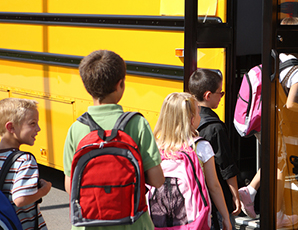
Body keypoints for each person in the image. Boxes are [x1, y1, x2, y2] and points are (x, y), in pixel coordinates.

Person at [62, 50, 165, 230]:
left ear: (87, 86)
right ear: (120, 84)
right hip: (133, 223)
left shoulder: (76, 129)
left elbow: (71, 187)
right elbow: (157, 180)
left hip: (88, 223)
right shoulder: (138, 124)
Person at [238, 49, 298, 227]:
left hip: (260, 121)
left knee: (274, 162)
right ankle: (277, 215)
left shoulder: (277, 59)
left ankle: (250, 191)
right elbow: (290, 105)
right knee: (280, 167)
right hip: (276, 124)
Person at [154, 92, 232, 230]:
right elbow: (214, 186)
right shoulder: (201, 146)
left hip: (159, 221)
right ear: (191, 120)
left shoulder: (156, 146)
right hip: (194, 222)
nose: (200, 117)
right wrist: (226, 218)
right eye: (198, 113)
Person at [188, 69, 241, 230]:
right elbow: (226, 166)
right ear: (208, 95)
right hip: (215, 201)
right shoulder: (215, 128)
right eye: (221, 93)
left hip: (194, 198)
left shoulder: (186, 121)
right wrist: (235, 195)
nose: (222, 97)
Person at [0, 98, 52, 230]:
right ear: (11, 127)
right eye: (32, 123)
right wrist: (43, 191)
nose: (38, 128)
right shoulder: (25, 160)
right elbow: (21, 199)